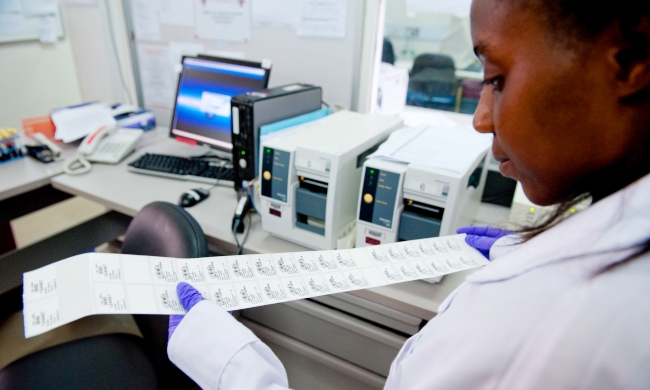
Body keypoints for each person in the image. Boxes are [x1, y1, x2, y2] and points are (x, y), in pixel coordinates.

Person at [166, 0, 650, 388]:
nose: (480, 118)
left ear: (628, 63)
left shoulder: (547, 333)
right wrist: (518, 252)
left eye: (497, 80)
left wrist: (237, 371)